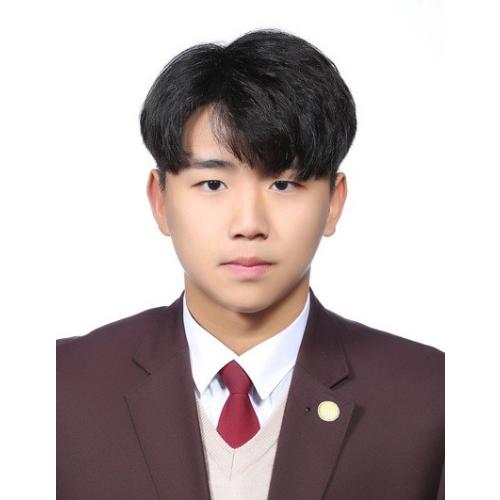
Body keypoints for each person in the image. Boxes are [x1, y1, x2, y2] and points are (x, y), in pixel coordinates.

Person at [56, 28, 444, 500]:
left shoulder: (432, 397)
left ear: (333, 203)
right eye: (213, 184)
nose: (248, 224)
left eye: (283, 184)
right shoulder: (60, 387)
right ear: (160, 201)